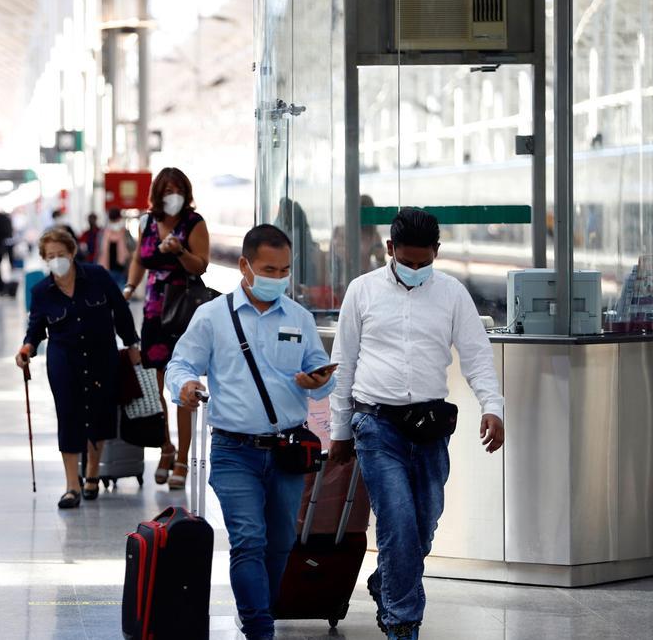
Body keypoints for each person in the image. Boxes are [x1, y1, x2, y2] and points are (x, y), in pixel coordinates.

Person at [327, 208, 505, 640]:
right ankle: (402, 623)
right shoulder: (362, 291)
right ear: (390, 250)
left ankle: (387, 580)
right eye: (408, 263)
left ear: (436, 252)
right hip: (375, 424)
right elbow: (343, 363)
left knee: (423, 526)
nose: (416, 270)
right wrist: (339, 432)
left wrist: (492, 406)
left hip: (429, 428)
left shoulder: (452, 294)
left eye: (425, 263)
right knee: (399, 523)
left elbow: (478, 356)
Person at [166, 224, 335, 640]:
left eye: (284, 270)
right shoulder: (213, 317)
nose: (277, 278)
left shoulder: (299, 317)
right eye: (268, 269)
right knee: (248, 538)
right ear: (244, 266)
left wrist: (319, 382)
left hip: (288, 451)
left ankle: (258, 608)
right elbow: (179, 365)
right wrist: (185, 387)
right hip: (233, 450)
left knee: (280, 543)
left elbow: (322, 372)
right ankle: (260, 628)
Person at [15, 228, 141, 509]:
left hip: (101, 357)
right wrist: (27, 349)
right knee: (69, 417)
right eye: (51, 256)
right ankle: (72, 485)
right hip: (64, 362)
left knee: (99, 414)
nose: (57, 260)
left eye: (61, 254)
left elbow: (120, 311)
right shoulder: (41, 292)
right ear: (44, 260)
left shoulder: (97, 276)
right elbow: (35, 329)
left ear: (72, 253)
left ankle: (92, 474)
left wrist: (132, 344)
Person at [123, 167, 211, 489]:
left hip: (183, 311)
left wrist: (180, 252)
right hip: (153, 313)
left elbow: (201, 265)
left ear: (186, 192)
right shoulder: (148, 222)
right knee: (156, 384)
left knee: (181, 385)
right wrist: (130, 287)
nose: (171, 195)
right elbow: (139, 259)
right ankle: (165, 447)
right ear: (157, 193)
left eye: (177, 189)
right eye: (166, 189)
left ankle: (183, 459)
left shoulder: (194, 223)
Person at [96, 207, 134, 288]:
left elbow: (132, 248)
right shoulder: (103, 233)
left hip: (122, 269)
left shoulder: (125, 233)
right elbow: (99, 251)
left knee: (120, 294)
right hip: (106, 269)